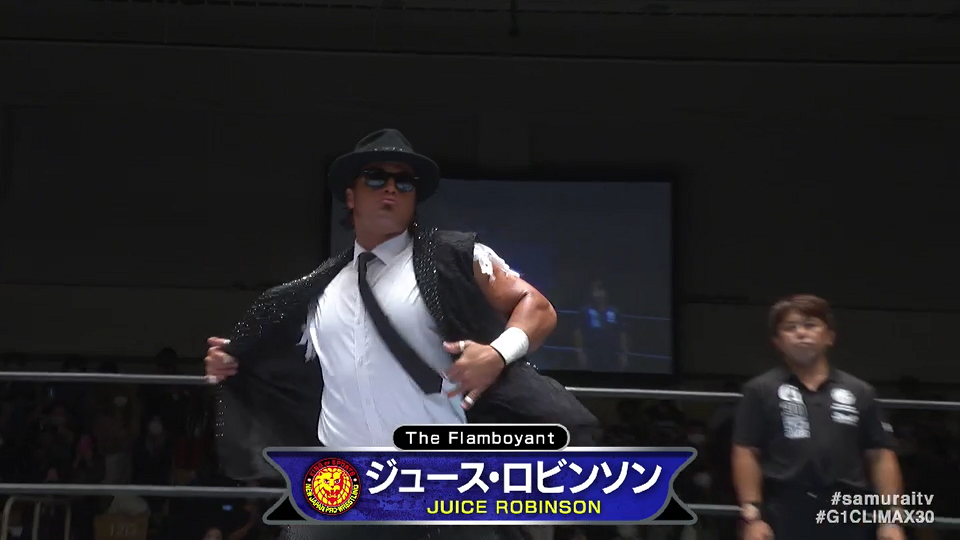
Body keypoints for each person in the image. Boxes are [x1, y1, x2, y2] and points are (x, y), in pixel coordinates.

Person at [205, 129, 599, 540]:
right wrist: (232, 359)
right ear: (351, 196)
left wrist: (498, 353)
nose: (391, 188)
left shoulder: (452, 258)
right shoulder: (318, 288)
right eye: (376, 177)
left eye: (404, 181)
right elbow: (268, 355)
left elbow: (538, 308)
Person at [731, 294, 905, 540]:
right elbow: (745, 452)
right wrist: (752, 517)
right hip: (783, 509)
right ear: (777, 341)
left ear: (829, 336)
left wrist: (891, 519)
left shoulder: (860, 391)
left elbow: (881, 455)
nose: (801, 333)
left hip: (848, 510)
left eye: (810, 325)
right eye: (790, 327)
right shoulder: (760, 390)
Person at [573, 280, 628, 370]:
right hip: (591, 353)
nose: (597, 294)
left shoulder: (614, 311)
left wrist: (623, 353)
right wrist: (580, 352)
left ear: (605, 293)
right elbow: (577, 331)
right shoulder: (584, 311)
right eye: (595, 291)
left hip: (611, 354)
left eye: (600, 291)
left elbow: (622, 332)